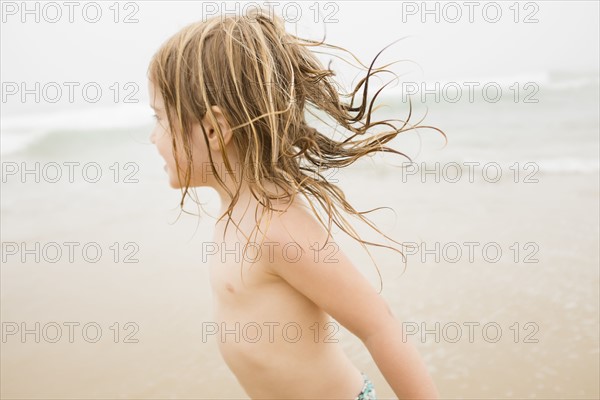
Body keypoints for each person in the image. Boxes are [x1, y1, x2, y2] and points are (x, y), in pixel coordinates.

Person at [148, 8, 442, 399]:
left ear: (215, 130)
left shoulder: (278, 225)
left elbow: (378, 325)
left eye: (160, 119)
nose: (153, 138)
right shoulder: (235, 211)